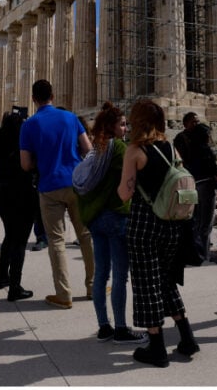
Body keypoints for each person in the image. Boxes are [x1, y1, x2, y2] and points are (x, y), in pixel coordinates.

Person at [118, 99, 199, 367]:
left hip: (144, 224)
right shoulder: (170, 147)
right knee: (165, 280)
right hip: (171, 222)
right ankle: (186, 337)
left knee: (145, 284)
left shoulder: (134, 151)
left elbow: (125, 193)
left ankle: (157, 347)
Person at [18, 79, 95, 309]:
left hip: (49, 186)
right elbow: (88, 150)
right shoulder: (70, 118)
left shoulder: (29, 125)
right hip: (75, 183)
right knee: (85, 235)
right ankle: (94, 286)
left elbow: (25, 164)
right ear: (53, 95)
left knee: (56, 241)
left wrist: (40, 161)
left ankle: (64, 294)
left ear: (34, 99)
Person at [76, 102, 146, 344]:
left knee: (100, 275)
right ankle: (121, 329)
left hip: (96, 220)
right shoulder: (120, 150)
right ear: (112, 127)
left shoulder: (96, 149)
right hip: (116, 217)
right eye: (123, 124)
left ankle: (103, 327)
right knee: (119, 277)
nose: (126, 129)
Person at [0, 112, 38, 301]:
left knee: (10, 235)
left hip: (2, 191)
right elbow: (29, 166)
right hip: (21, 192)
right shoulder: (23, 143)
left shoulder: (0, 140)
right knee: (20, 240)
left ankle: (2, 276)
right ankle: (15, 286)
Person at [183, 123, 217, 264]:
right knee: (206, 223)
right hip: (206, 186)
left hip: (193, 185)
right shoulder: (206, 150)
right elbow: (213, 170)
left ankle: (195, 253)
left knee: (196, 222)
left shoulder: (190, 149)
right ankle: (203, 255)